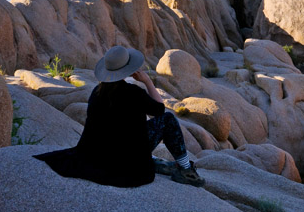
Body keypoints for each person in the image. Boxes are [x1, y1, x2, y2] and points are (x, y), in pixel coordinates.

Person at [34, 45, 204, 187]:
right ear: (128, 70)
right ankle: (185, 170)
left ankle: (153, 160)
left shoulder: (96, 92)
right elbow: (159, 109)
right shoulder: (133, 93)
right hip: (128, 158)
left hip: (99, 154)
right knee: (168, 120)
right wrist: (148, 82)